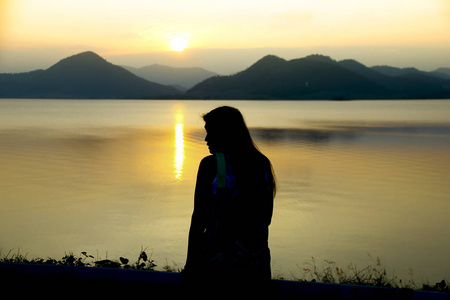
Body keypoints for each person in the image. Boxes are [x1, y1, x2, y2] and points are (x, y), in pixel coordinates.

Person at [182, 106, 276, 294]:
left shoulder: (212, 166)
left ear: (226, 133)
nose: (206, 139)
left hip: (217, 268)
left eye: (210, 133)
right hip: (255, 267)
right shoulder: (261, 163)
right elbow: (266, 217)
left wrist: (191, 265)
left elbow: (199, 219)